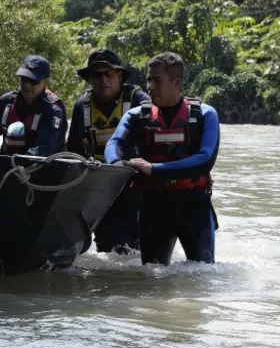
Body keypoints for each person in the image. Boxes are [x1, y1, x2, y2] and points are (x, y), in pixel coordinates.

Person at [105, 52, 220, 266]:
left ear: (176, 83)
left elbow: (205, 160)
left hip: (194, 207)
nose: (149, 86)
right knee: (152, 277)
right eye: (148, 79)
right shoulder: (136, 116)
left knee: (203, 277)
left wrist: (155, 169)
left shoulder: (205, 114)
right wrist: (117, 164)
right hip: (153, 208)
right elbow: (115, 145)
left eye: (157, 81)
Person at [68, 48, 150, 254]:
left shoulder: (139, 100)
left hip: (137, 184)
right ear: (89, 79)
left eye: (109, 74)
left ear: (120, 76)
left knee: (139, 246)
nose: (103, 80)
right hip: (101, 187)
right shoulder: (81, 107)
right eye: (97, 75)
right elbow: (73, 151)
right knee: (108, 247)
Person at [0, 55, 67, 157]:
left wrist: (17, 166)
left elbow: (44, 150)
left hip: (43, 168)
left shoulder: (53, 111)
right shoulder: (6, 102)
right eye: (24, 79)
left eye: (34, 81)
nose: (27, 85)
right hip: (8, 166)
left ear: (46, 81)